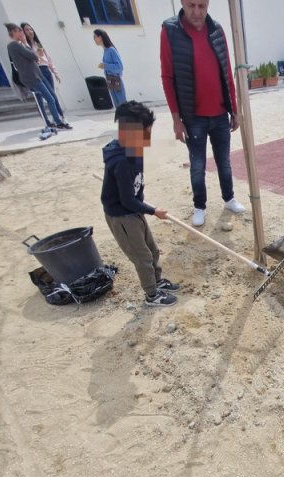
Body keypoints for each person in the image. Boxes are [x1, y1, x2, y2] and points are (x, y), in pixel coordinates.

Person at [160, 0, 244, 228]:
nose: (196, 12)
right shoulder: (170, 31)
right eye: (191, 5)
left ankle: (229, 199)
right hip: (193, 117)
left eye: (202, 6)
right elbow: (167, 77)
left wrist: (234, 110)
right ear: (182, 3)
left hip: (219, 114)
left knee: (224, 162)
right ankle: (200, 207)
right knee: (197, 166)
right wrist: (176, 120)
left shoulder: (216, 30)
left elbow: (226, 72)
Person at [100, 101, 179, 307]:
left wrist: (142, 205)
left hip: (134, 209)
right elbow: (126, 200)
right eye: (146, 133)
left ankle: (157, 281)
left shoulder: (134, 149)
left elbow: (133, 191)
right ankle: (152, 294)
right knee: (142, 257)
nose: (148, 138)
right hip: (122, 216)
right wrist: (153, 211)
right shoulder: (122, 162)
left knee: (152, 250)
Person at [5, 23, 71, 130]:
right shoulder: (15, 45)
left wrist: (54, 71)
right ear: (14, 32)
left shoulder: (29, 43)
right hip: (32, 76)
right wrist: (26, 44)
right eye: (21, 30)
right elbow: (34, 56)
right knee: (47, 99)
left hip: (39, 73)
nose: (23, 33)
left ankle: (58, 120)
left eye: (27, 30)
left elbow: (40, 56)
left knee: (52, 97)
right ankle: (55, 122)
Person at [20, 22, 66, 127]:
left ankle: (60, 117)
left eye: (31, 29)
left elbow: (48, 59)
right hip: (36, 71)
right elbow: (30, 59)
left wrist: (55, 72)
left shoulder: (38, 43)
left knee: (52, 95)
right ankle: (47, 121)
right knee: (40, 98)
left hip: (46, 70)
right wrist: (37, 55)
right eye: (27, 30)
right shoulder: (24, 45)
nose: (30, 31)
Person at [94, 29, 127, 108]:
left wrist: (105, 65)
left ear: (100, 37)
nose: (94, 39)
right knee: (117, 105)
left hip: (115, 78)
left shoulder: (111, 50)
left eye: (95, 37)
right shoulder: (105, 51)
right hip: (109, 79)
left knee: (122, 104)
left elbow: (119, 67)